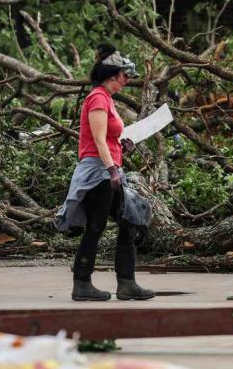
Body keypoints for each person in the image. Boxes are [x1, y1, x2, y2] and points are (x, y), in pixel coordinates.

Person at [63, 44, 155, 301]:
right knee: (96, 226)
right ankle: (81, 284)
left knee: (129, 220)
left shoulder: (108, 100)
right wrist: (112, 170)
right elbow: (98, 140)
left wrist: (122, 147)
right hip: (97, 173)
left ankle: (126, 283)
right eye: (125, 76)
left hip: (109, 170)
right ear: (113, 74)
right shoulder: (97, 98)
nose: (127, 81)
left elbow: (109, 140)